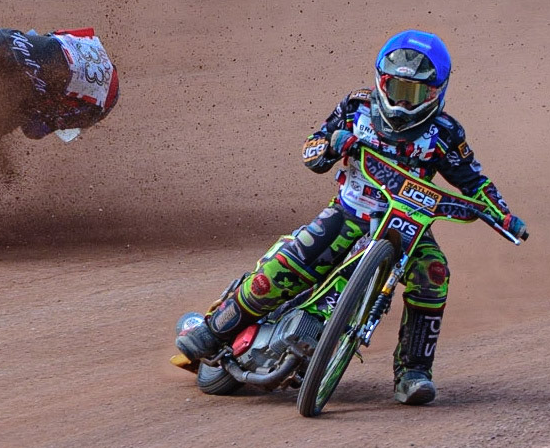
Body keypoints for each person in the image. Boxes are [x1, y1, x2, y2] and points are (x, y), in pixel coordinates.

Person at [175, 30, 527, 405]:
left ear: (437, 92)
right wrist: (330, 144)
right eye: (397, 89)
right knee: (288, 264)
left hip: (410, 227)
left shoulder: (445, 134)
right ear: (381, 80)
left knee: (434, 274)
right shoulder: (356, 106)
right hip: (349, 212)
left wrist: (503, 215)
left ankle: (413, 373)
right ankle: (212, 332)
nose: (405, 102)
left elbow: (474, 179)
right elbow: (312, 149)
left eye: (417, 94)